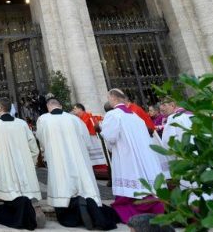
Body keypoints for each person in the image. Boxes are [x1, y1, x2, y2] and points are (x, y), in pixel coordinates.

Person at [36, 98, 118, 230]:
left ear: (47, 107)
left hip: (58, 160)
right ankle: (92, 211)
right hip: (78, 159)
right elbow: (87, 141)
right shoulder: (75, 119)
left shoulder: (43, 119)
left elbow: (42, 140)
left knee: (64, 187)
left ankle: (71, 215)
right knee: (83, 188)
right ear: (61, 106)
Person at [102, 89, 166, 223]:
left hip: (126, 156)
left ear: (113, 99)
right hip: (143, 156)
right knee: (143, 183)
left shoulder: (113, 115)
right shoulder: (136, 116)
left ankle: (128, 212)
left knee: (130, 185)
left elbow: (110, 137)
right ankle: (155, 209)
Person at [0, 97, 41, 230]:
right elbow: (33, 147)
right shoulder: (22, 123)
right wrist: (31, 162)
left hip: (6, 164)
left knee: (11, 194)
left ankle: (20, 216)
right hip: (24, 163)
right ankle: (31, 213)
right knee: (24, 192)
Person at [72, 103, 110, 171]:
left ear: (80, 109)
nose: (73, 110)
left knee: (96, 155)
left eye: (75, 108)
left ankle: (101, 168)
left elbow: (83, 127)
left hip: (92, 138)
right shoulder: (78, 118)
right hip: (87, 138)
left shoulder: (87, 115)